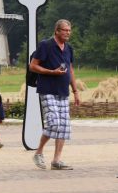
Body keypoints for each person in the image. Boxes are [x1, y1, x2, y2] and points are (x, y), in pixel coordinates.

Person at [29, 19, 81, 170]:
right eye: (65, 30)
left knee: (64, 127)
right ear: (57, 31)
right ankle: (38, 153)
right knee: (54, 123)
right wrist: (52, 72)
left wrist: (76, 91)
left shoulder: (69, 48)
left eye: (69, 30)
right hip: (47, 90)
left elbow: (70, 70)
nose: (68, 33)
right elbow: (33, 66)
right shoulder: (46, 45)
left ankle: (56, 161)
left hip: (63, 92)